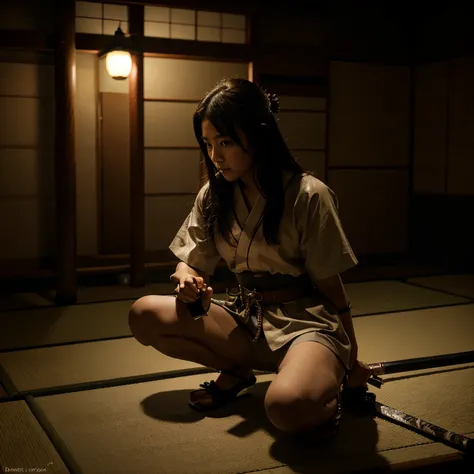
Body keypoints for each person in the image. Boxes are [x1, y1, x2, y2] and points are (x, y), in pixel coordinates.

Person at [129, 77, 372, 438]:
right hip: (246, 320)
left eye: (225, 142)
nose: (216, 156)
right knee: (144, 314)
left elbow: (330, 284)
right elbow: (191, 259)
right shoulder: (214, 195)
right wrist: (185, 278)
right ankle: (240, 371)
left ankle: (319, 379)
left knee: (286, 409)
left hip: (305, 325)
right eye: (208, 144)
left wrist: (351, 360)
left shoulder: (308, 194)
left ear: (258, 135)